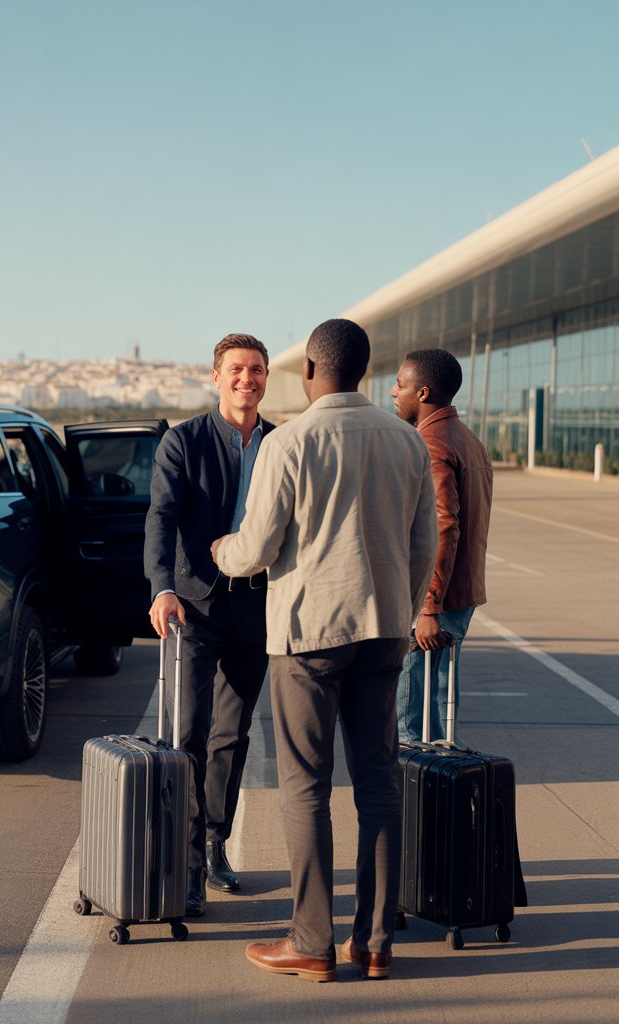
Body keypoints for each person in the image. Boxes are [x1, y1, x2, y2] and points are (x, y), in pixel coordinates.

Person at [211, 319, 437, 982]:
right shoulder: (406, 441)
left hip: (310, 634)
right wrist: (401, 601)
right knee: (378, 782)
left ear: (311, 370)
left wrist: (223, 551)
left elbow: (255, 549)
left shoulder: (293, 441)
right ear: (364, 371)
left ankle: (311, 939)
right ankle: (373, 942)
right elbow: (426, 544)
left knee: (304, 786)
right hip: (385, 628)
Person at [144, 333, 274, 917]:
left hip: (257, 606)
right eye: (238, 370)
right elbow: (161, 518)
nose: (248, 379)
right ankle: (190, 860)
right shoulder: (184, 440)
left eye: (258, 370)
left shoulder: (279, 443)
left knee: (233, 733)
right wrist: (162, 588)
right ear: (216, 377)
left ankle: (218, 842)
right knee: (191, 733)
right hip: (195, 606)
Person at [391, 349, 493, 743]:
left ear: (423, 392)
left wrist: (428, 605)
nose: (392, 392)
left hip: (436, 601)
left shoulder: (433, 444)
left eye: (401, 384)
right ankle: (435, 798)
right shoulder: (465, 437)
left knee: (411, 725)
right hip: (457, 595)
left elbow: (443, 526)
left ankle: (416, 801)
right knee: (438, 717)